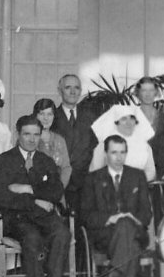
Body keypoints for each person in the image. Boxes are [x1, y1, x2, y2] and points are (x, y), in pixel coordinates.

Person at [0, 116, 70, 277]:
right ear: (18, 134)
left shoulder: (46, 161)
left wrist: (27, 188)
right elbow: (2, 197)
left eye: (36, 134)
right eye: (27, 134)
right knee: (31, 236)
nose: (32, 139)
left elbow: (56, 192)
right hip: (17, 218)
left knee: (62, 233)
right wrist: (36, 200)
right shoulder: (3, 161)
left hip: (44, 217)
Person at [81, 135, 152, 277]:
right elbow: (86, 215)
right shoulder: (93, 179)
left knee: (127, 227)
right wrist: (110, 218)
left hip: (135, 230)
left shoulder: (137, 176)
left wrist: (132, 218)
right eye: (114, 153)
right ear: (106, 154)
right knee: (128, 241)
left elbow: (147, 213)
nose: (119, 157)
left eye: (122, 152)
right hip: (106, 235)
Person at [50, 74, 99, 218]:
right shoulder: (51, 117)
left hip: (85, 184)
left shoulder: (91, 117)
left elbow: (96, 148)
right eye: (68, 87)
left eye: (76, 88)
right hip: (60, 182)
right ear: (59, 90)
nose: (72, 92)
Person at [91, 104, 156, 182]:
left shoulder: (145, 146)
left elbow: (151, 171)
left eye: (132, 118)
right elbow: (94, 172)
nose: (129, 123)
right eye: (124, 119)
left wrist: (135, 182)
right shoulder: (104, 144)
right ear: (117, 122)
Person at [32, 98, 72, 188]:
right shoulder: (28, 138)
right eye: (42, 114)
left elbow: (66, 168)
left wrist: (58, 188)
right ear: (35, 115)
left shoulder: (59, 140)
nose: (46, 118)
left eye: (49, 114)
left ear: (54, 116)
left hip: (56, 193)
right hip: (34, 193)